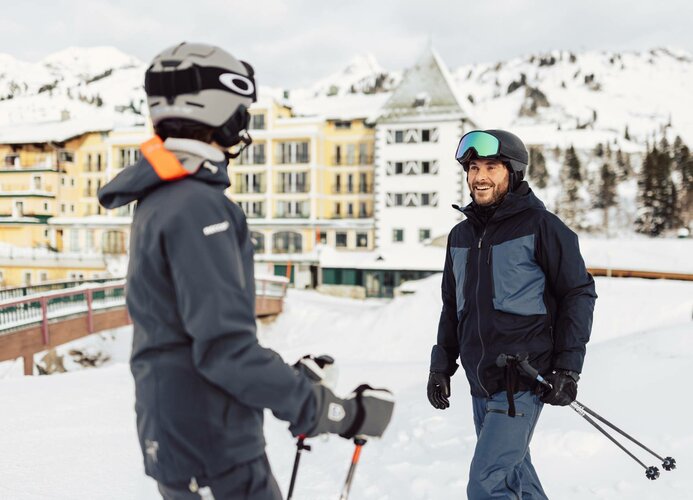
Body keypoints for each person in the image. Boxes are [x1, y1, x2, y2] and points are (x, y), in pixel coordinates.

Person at [98, 42, 394, 500]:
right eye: (242, 106)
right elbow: (224, 352)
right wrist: (335, 412)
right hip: (215, 451)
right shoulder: (199, 207)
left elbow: (185, 333)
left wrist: (288, 379)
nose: (245, 119)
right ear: (220, 107)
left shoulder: (160, 199)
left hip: (182, 437)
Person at [426, 129, 596, 499]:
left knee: (488, 482)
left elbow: (578, 294)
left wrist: (567, 367)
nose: (479, 177)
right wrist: (441, 365)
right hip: (479, 381)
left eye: (490, 167)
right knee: (516, 477)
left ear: (513, 172)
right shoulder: (460, 237)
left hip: (521, 380)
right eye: (473, 168)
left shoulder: (542, 227)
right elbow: (452, 307)